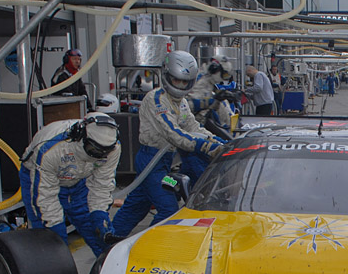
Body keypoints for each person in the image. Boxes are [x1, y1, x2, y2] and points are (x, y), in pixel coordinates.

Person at [112, 51, 224, 237]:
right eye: (176, 80)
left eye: (184, 82)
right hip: (150, 161)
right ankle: (149, 244)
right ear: (166, 75)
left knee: (137, 204)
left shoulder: (180, 103)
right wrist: (204, 146)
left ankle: (110, 239)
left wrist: (218, 142)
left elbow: (193, 127)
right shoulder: (156, 99)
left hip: (165, 163)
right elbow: (173, 133)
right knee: (169, 209)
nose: (179, 85)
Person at [19, 112, 120, 256]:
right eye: (94, 150)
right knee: (51, 242)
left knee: (97, 230)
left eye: (104, 152)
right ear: (80, 137)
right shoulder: (50, 149)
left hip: (79, 180)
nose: (98, 155)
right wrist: (54, 227)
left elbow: (102, 184)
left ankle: (110, 270)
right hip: (39, 179)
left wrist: (99, 213)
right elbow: (45, 196)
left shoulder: (113, 148)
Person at [188, 55, 236, 133]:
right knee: (222, 103)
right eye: (224, 75)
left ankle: (233, 129)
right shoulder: (198, 80)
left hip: (202, 123)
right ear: (215, 70)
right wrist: (213, 100)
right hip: (192, 124)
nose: (223, 79)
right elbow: (189, 104)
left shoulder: (208, 81)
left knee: (223, 102)